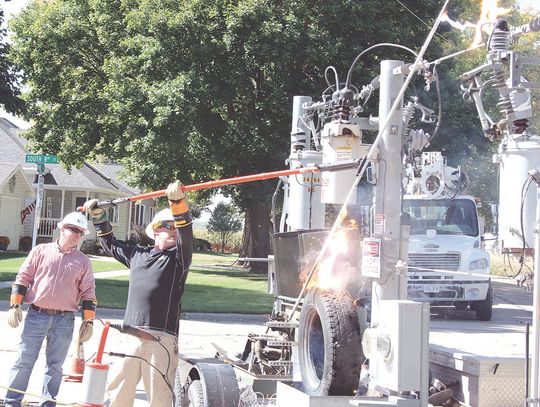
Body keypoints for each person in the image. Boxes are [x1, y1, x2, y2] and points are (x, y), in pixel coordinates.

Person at [82, 180, 193, 407]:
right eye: (168, 225)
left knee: (159, 397)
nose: (173, 230)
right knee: (119, 392)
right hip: (130, 334)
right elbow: (110, 244)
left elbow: (187, 235)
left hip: (160, 338)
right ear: (155, 230)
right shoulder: (138, 255)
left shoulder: (179, 259)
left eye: (176, 227)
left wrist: (178, 203)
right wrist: (99, 218)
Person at [4, 212, 97, 407]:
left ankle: (48, 403)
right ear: (62, 229)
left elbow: (89, 293)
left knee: (55, 366)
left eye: (81, 232)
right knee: (24, 360)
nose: (78, 235)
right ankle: (12, 401)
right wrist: (15, 305)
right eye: (74, 230)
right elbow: (23, 278)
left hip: (65, 320)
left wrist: (88, 321)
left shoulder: (83, 261)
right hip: (37, 315)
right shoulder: (40, 251)